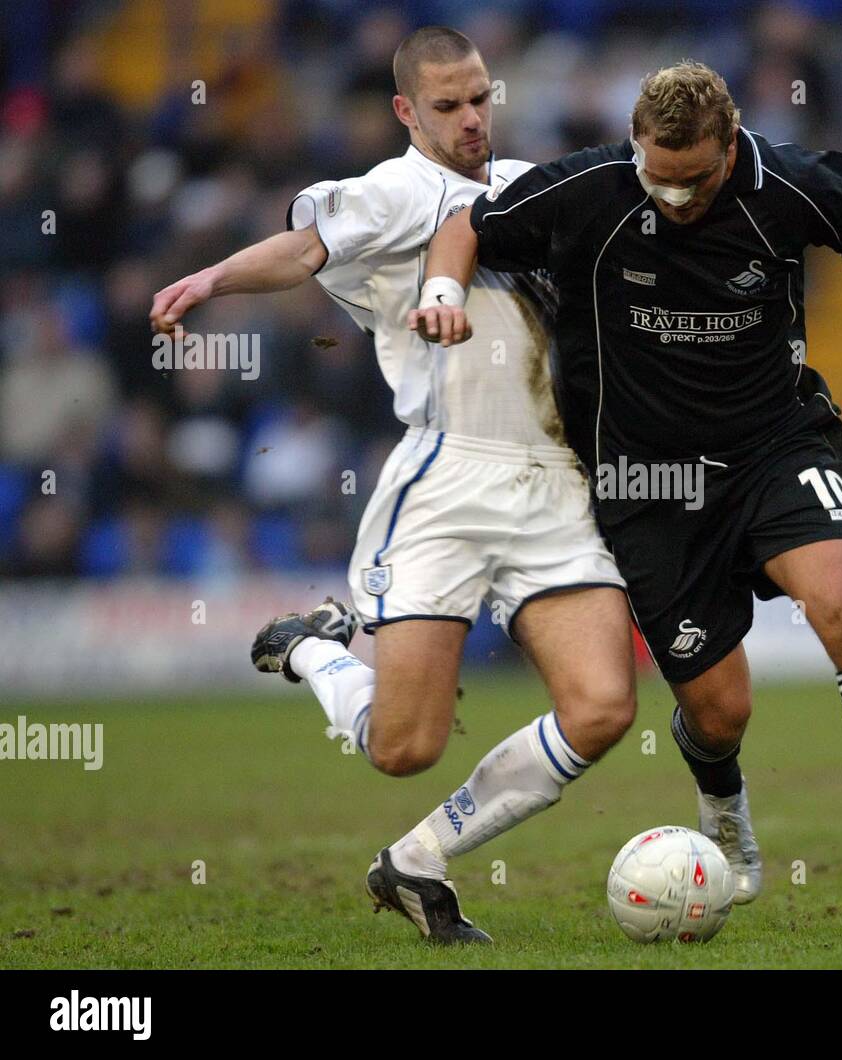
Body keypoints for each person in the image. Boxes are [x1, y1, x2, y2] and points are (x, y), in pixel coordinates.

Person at [412, 61, 842, 931]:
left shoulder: (791, 185)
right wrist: (444, 292)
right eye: (655, 178)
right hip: (645, 484)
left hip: (774, 445)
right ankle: (724, 804)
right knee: (719, 709)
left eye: (693, 181)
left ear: (731, 145)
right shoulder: (588, 190)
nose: (671, 199)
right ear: (635, 148)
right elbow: (463, 227)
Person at [148, 26, 636, 943]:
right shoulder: (396, 191)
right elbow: (302, 252)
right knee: (402, 748)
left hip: (554, 482)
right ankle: (314, 651)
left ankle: (417, 859)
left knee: (604, 708)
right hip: (446, 480)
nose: (471, 121)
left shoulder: (535, 188)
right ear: (408, 111)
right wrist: (210, 278)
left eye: (481, 99)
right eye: (447, 107)